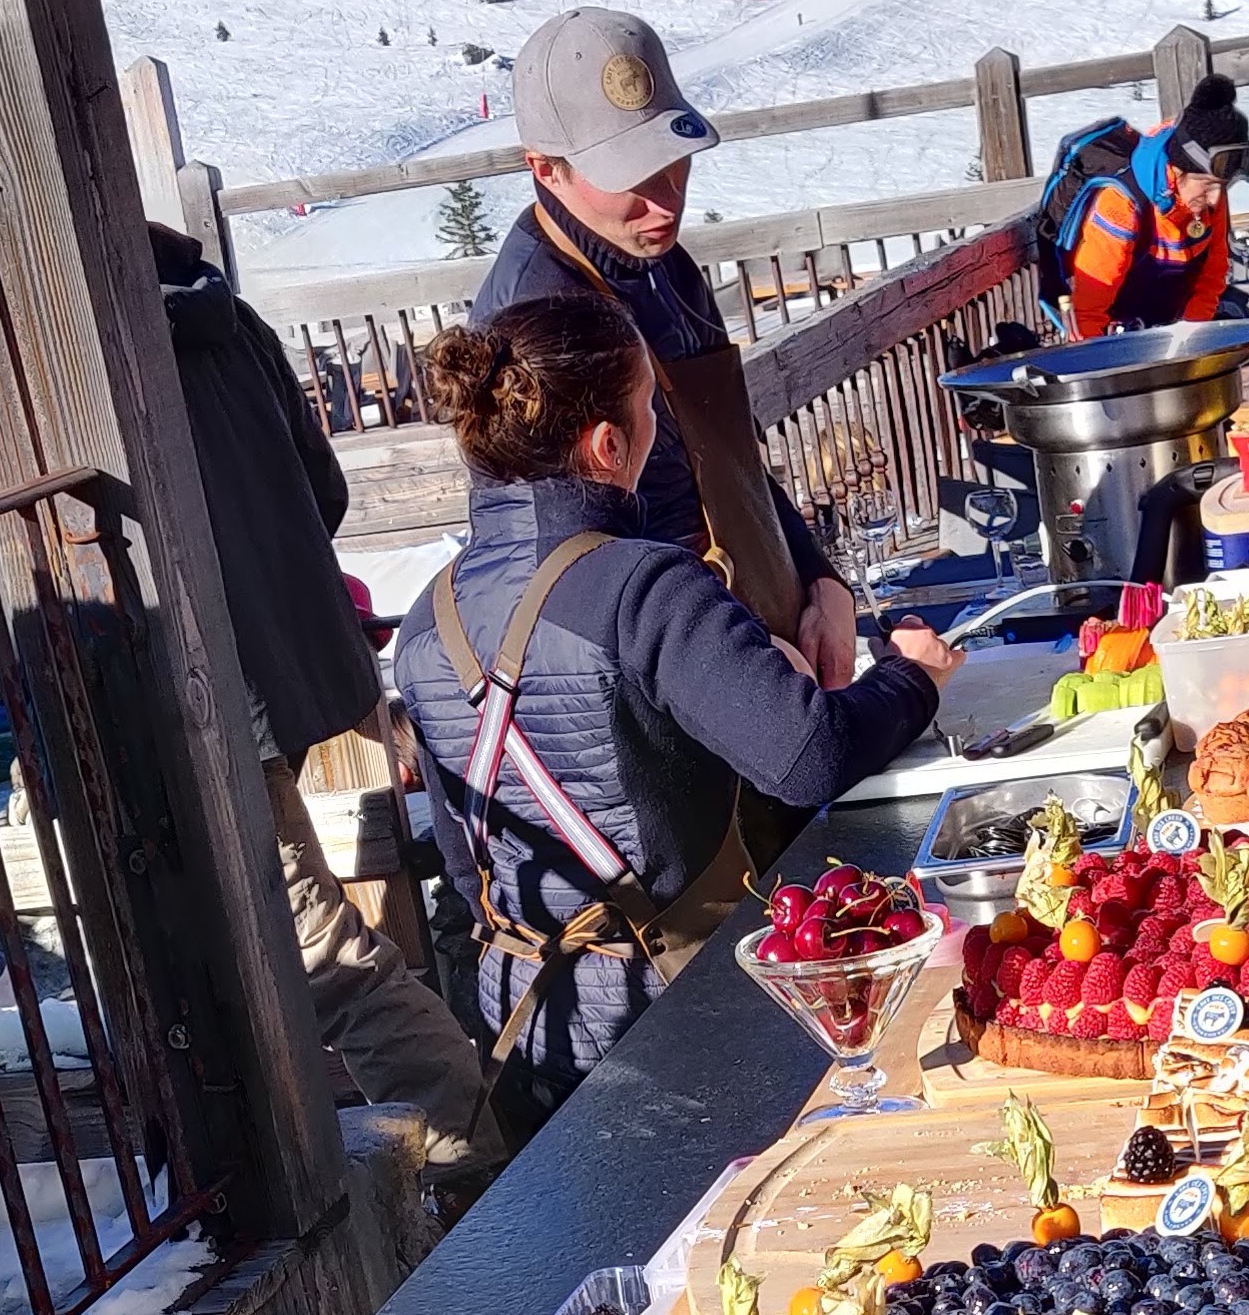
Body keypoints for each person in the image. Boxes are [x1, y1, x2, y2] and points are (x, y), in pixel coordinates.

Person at [394, 297, 954, 1126]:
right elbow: (809, 756)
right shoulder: (645, 587)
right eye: (650, 407)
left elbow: (464, 863)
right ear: (609, 445)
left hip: (527, 1034)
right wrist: (914, 679)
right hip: (681, 1020)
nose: (660, 429)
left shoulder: (424, 621)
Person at [147, 223, 506, 1204]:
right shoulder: (227, 319)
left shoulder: (85, 354)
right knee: (299, 941)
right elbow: (323, 489)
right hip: (287, 670)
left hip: (207, 698)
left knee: (324, 956)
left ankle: (472, 1165)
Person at [477, 8, 854, 674]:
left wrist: (821, 580)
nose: (667, 202)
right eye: (631, 177)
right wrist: (725, 654)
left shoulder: (664, 264)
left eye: (673, 162)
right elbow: (577, 568)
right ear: (544, 168)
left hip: (754, 631)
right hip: (667, 663)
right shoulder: (535, 319)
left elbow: (730, 458)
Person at [1057, 74, 1249, 337]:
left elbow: (1213, 272)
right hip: (1118, 333)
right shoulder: (1121, 205)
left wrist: (1192, 337)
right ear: (1177, 171)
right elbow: (1088, 310)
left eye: (1223, 186)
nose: (1215, 199)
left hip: (1174, 323)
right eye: (1208, 185)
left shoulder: (1208, 191)